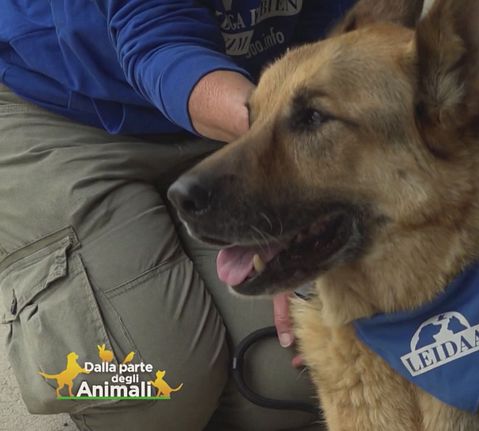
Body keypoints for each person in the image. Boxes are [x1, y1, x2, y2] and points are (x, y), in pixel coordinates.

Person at [0, 1, 357, 430]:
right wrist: (288, 165)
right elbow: (157, 38)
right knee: (151, 390)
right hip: (55, 102)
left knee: (297, 376)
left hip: (236, 98)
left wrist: (297, 225)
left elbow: (334, 35)